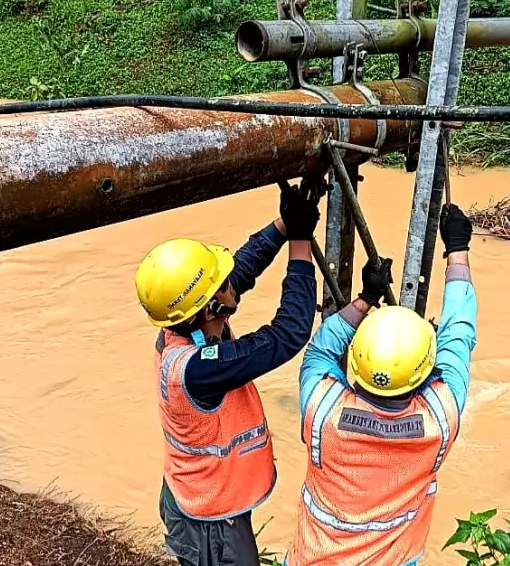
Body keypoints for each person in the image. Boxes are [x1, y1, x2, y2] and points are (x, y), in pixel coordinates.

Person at [135, 181, 323, 566]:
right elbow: (288, 333)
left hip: (201, 494)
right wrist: (301, 245)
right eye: (221, 285)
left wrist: (284, 225)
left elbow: (244, 267)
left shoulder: (186, 325)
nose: (230, 282)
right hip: (210, 518)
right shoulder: (200, 369)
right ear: (209, 307)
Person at [285, 203, 478, 566]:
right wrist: (457, 251)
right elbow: (459, 333)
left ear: (355, 365)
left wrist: (365, 299)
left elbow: (321, 349)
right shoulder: (440, 416)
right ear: (426, 372)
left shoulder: (322, 408)